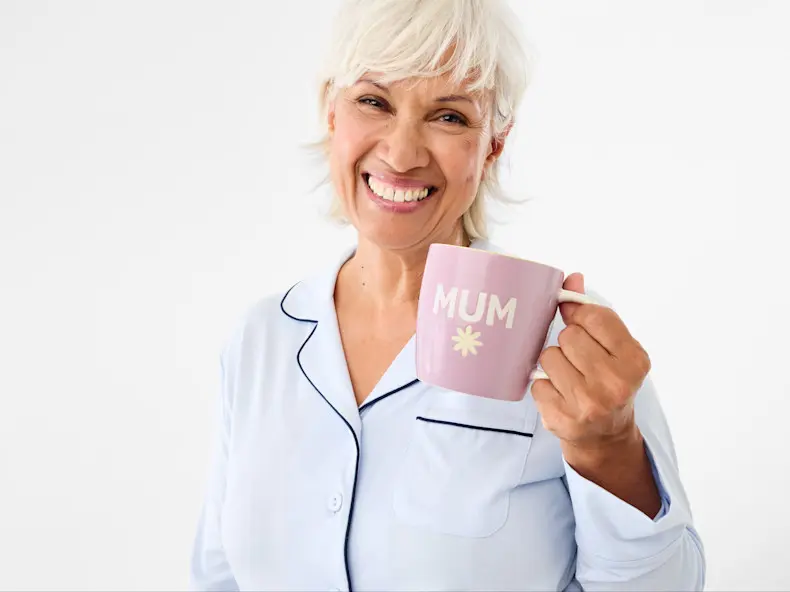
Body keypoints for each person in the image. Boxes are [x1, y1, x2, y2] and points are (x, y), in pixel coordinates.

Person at [188, 0, 706, 589]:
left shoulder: (568, 350)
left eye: (450, 116)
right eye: (374, 102)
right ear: (331, 111)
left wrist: (610, 449)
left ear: (493, 146)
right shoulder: (261, 340)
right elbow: (217, 576)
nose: (401, 154)